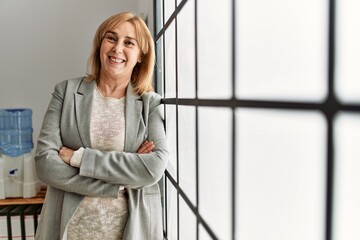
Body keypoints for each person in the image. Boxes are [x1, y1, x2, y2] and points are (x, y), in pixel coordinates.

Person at [34, 12, 169, 240]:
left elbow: (153, 168)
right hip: (69, 231)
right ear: (100, 44)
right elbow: (45, 164)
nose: (117, 48)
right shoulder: (65, 92)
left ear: (140, 56)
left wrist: (80, 158)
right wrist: (118, 183)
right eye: (111, 38)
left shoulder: (150, 103)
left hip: (129, 232)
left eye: (129, 43)